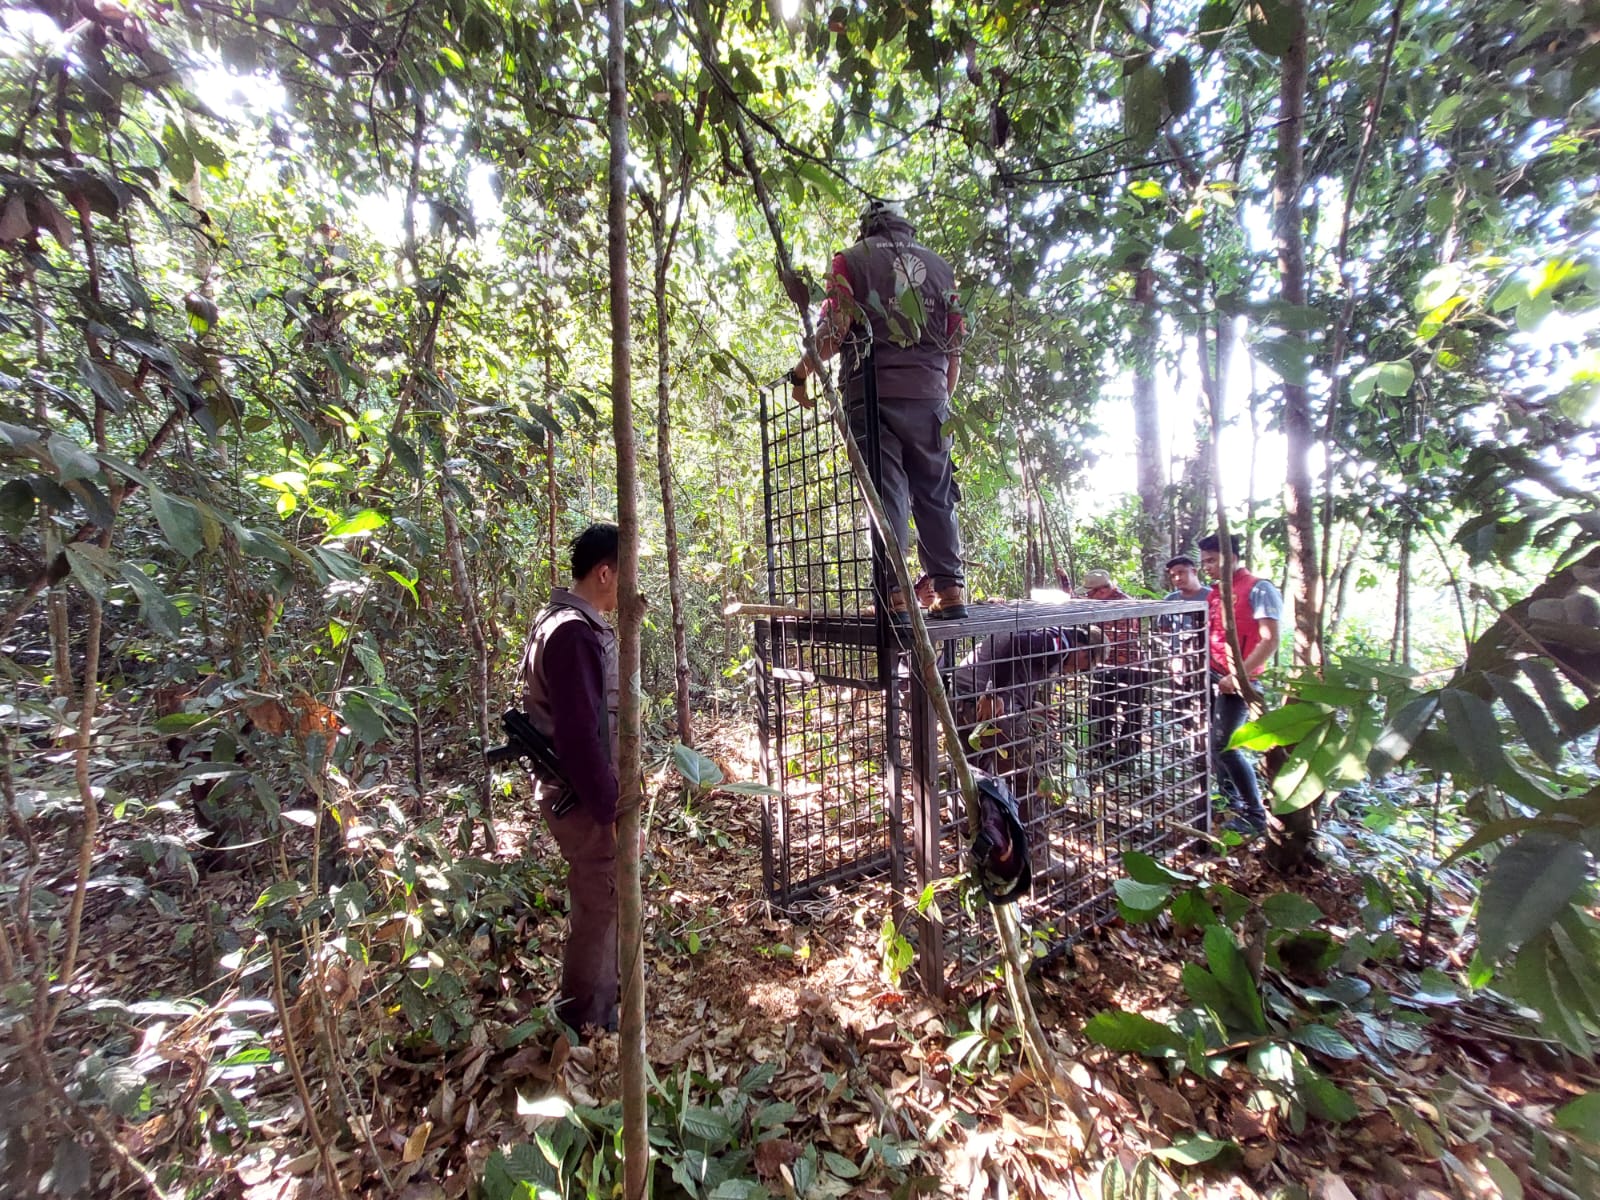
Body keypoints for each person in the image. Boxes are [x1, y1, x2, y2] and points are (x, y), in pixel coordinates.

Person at [788, 199, 968, 620]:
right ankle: (950, 589)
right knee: (935, 491)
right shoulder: (940, 268)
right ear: (907, 226)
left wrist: (800, 374)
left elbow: (835, 330)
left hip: (872, 394)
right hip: (931, 396)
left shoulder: (851, 260)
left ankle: (898, 595)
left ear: (866, 227)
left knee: (887, 494)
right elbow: (954, 346)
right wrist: (940, 396)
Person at [515, 523, 621, 1032]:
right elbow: (580, 737)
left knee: (599, 899)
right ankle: (587, 1023)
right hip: (583, 798)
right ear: (604, 573)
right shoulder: (572, 633)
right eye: (628, 574)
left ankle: (598, 1010)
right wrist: (610, 808)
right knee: (601, 902)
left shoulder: (560, 622)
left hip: (578, 792)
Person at [1198, 532, 1283, 834]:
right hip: (1214, 674)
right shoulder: (1216, 591)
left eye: (1212, 560)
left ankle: (1255, 814)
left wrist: (1239, 676)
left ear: (1231, 557)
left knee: (1226, 745)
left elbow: (1270, 640)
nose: (1206, 566)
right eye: (1204, 561)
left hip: (1244, 679)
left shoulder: (1259, 588)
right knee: (1213, 743)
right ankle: (1229, 800)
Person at [1082, 569, 1147, 766]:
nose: (1087, 597)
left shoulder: (1122, 606)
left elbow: (1111, 641)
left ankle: (1126, 757)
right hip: (1106, 666)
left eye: (1090, 593)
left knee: (1131, 715)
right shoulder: (1102, 602)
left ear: (1102, 591)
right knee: (1099, 709)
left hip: (1129, 668)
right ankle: (1099, 751)